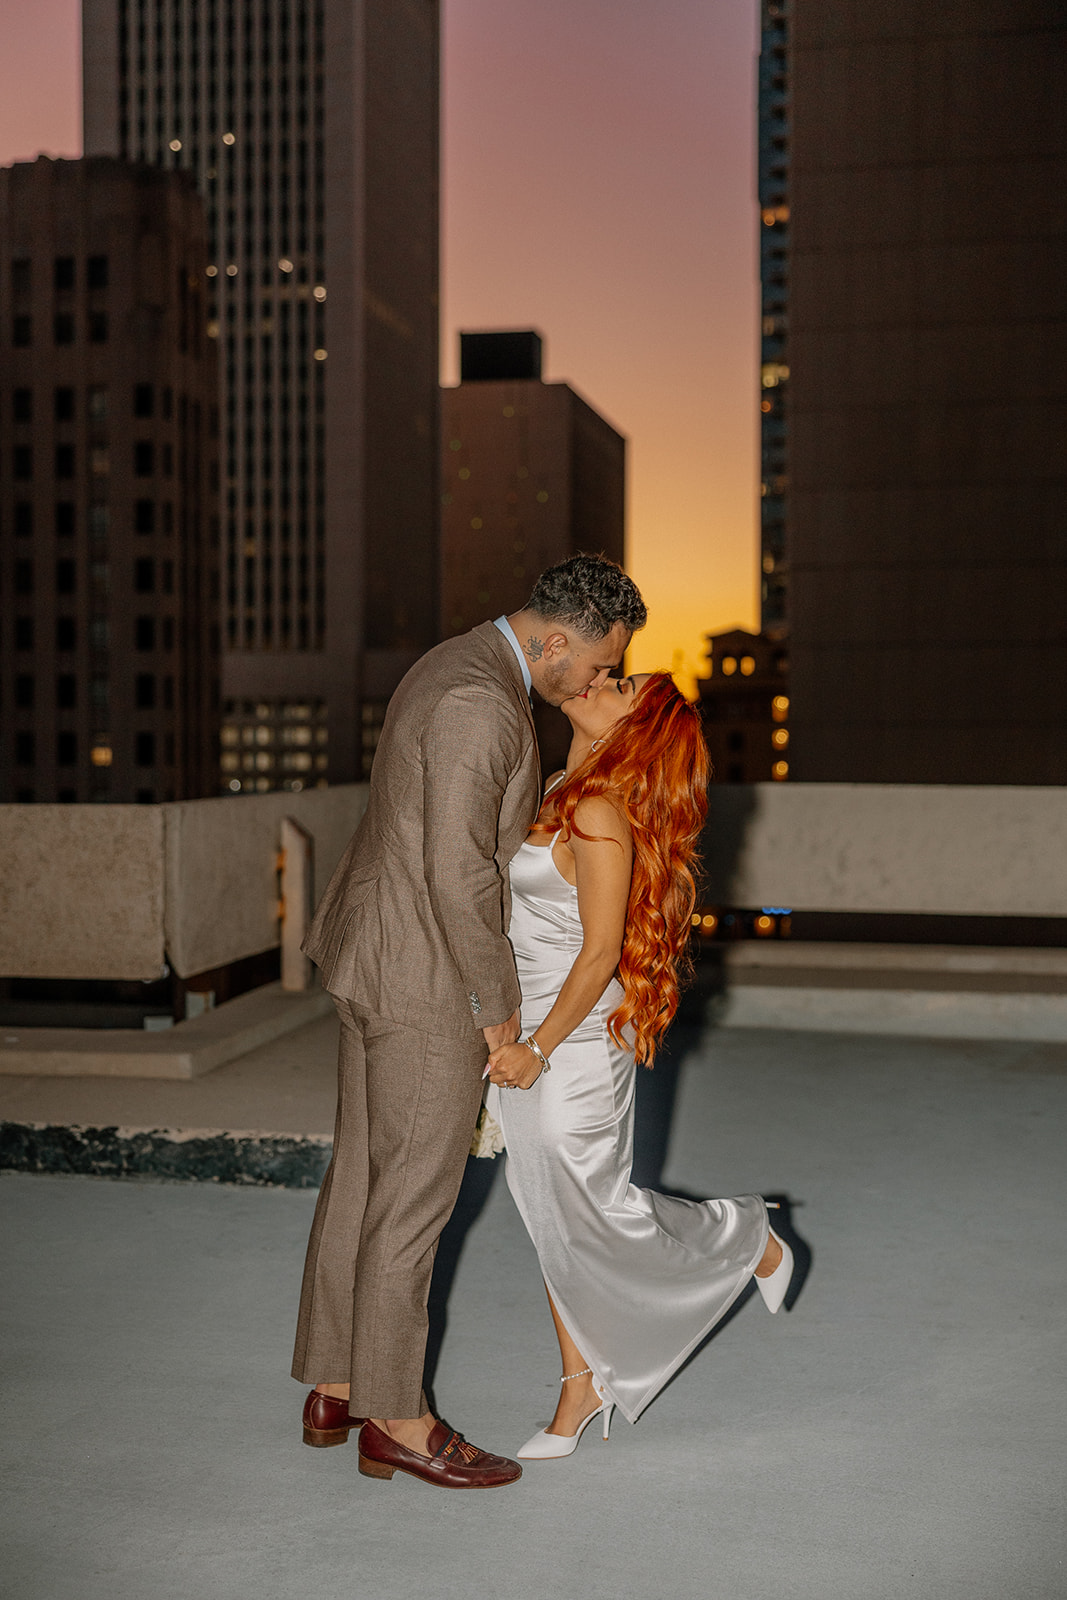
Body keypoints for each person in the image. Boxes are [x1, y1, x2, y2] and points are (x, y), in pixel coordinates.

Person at [291, 554, 647, 1490]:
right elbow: (460, 877)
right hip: (424, 982)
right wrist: (499, 1018)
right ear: (558, 639)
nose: (598, 682)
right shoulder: (481, 704)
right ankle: (398, 1421)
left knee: (363, 1177)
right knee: (410, 1204)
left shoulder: (457, 662)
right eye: (599, 665)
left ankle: (337, 1382)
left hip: (376, 953)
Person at [484, 671, 795, 1457]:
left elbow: (596, 957)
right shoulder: (558, 785)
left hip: (573, 1039)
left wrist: (535, 1048)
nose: (595, 680)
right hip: (528, 1034)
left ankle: (744, 1235)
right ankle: (579, 1385)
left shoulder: (595, 813)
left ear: (637, 726)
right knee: (550, 1214)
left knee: (596, 1209)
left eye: (618, 683)